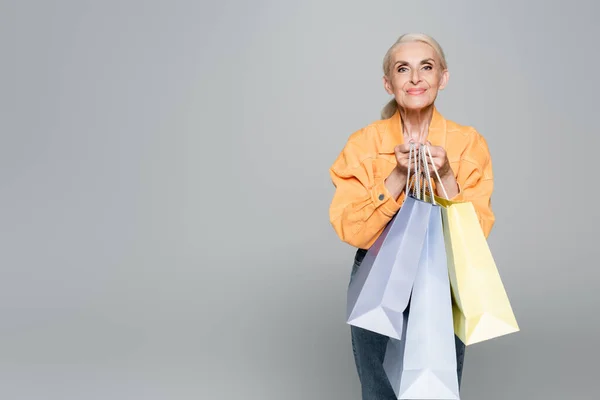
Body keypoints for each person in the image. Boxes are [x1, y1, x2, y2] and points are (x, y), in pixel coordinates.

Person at [328, 33, 496, 399]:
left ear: (443, 78)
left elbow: (476, 235)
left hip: (442, 272)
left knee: (434, 385)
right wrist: (396, 177)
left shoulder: (469, 144)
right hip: (377, 269)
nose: (416, 78)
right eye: (403, 69)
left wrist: (447, 176)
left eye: (427, 67)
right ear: (389, 83)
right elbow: (349, 227)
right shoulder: (364, 144)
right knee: (378, 388)